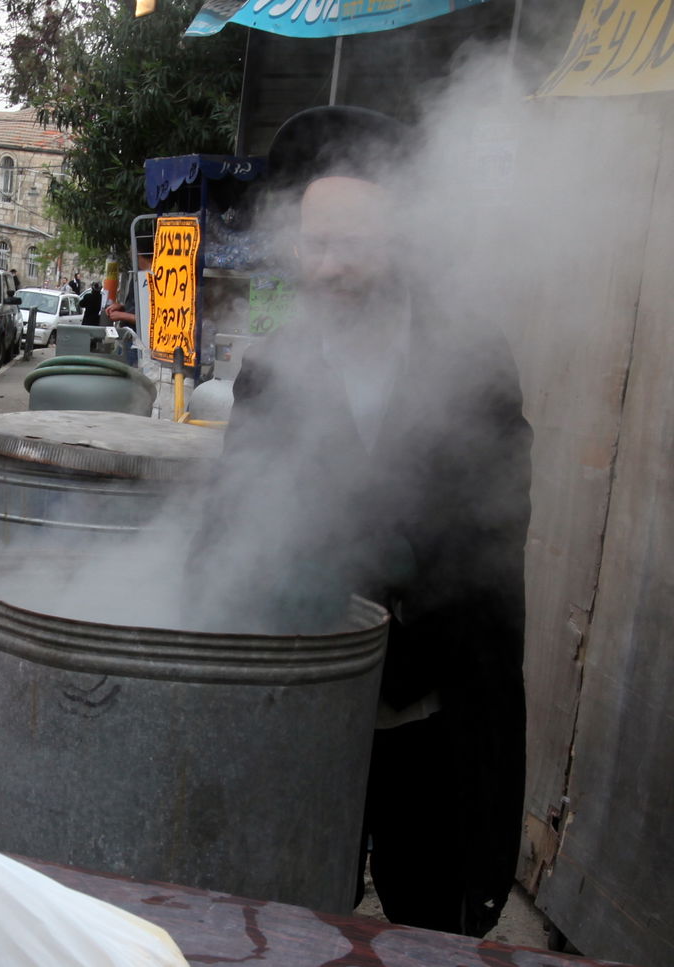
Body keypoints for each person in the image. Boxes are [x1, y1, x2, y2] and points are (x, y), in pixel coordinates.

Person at [222, 106, 531, 937]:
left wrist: (407, 566)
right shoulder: (272, 372)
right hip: (312, 706)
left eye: (353, 242)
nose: (330, 266)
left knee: (429, 918)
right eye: (316, 243)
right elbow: (231, 524)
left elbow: (496, 537)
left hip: (430, 710)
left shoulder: (472, 364)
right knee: (291, 916)